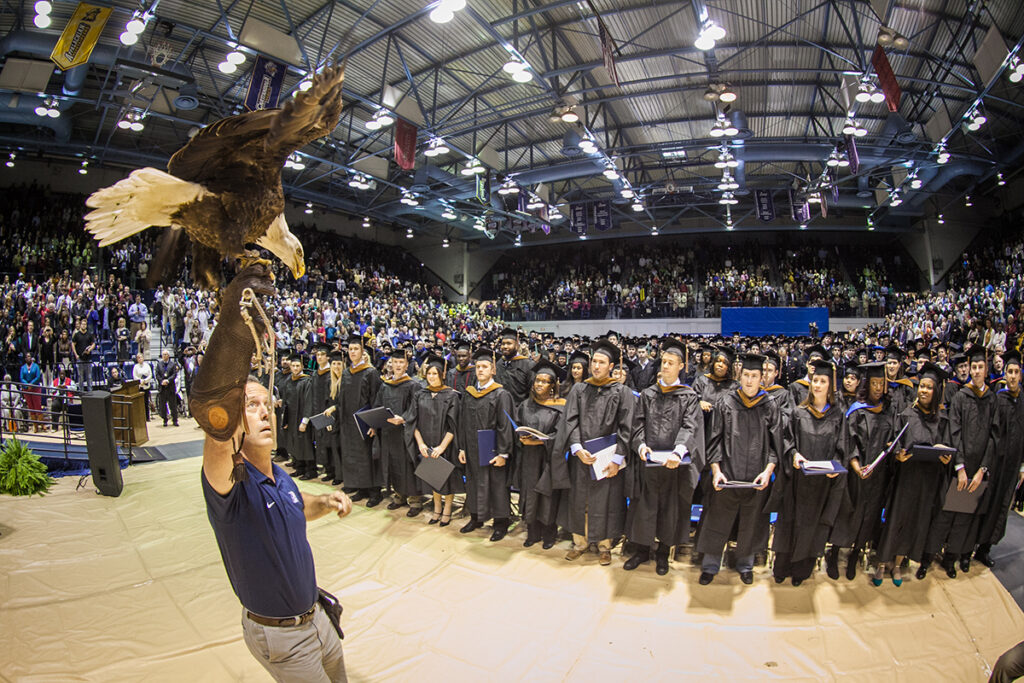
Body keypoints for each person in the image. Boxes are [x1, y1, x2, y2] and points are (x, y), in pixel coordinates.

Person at [194, 264, 351, 682]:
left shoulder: (279, 476)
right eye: (251, 406)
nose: (264, 412)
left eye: (267, 404)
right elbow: (217, 426)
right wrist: (232, 327)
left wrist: (323, 501)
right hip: (282, 638)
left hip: (317, 618)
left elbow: (295, 511)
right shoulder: (229, 484)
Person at [697, 353, 783, 585]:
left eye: (754, 376)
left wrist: (768, 471)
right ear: (740, 375)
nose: (749, 381)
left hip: (756, 479)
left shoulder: (770, 405)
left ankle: (745, 565)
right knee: (717, 519)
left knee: (751, 522)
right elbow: (713, 441)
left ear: (761, 378)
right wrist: (716, 470)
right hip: (727, 476)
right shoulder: (726, 402)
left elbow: (776, 446)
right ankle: (710, 566)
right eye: (745, 375)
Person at [625, 338, 704, 575]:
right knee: (644, 507)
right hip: (649, 464)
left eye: (671, 362)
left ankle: (662, 554)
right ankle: (641, 551)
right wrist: (640, 446)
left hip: (674, 465)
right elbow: (637, 425)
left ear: (681, 366)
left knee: (670, 509)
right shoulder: (648, 394)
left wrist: (679, 451)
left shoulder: (688, 396)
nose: (666, 366)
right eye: (664, 362)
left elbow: (690, 427)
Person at [876, 362, 953, 585]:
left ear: (936, 391)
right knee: (895, 520)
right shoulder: (906, 414)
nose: (924, 390)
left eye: (929, 387)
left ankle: (898, 565)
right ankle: (882, 563)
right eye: (922, 386)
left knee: (914, 523)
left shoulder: (942, 419)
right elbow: (892, 446)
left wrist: (946, 457)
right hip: (906, 478)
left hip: (928, 480)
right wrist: (897, 456)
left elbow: (945, 446)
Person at [772, 359, 846, 586]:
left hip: (820, 485)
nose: (818, 385)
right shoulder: (798, 412)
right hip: (797, 482)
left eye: (823, 381)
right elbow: (787, 440)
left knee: (811, 527)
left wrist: (836, 466)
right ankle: (781, 566)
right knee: (790, 522)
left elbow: (841, 448)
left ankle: (801, 571)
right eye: (815, 380)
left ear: (830, 386)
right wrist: (793, 454)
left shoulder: (837, 415)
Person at [925, 346, 996, 574]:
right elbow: (954, 432)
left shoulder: (992, 400)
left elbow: (994, 437)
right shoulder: (960, 397)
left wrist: (982, 470)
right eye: (972, 367)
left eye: (979, 367)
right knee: (946, 515)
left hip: (978, 471)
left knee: (966, 516)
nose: (975, 371)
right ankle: (928, 558)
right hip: (959, 468)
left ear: (986, 369)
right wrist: (961, 467)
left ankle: (951, 559)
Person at [563, 339, 634, 566]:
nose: (596, 366)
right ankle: (580, 543)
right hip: (582, 457)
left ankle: (605, 546)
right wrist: (576, 448)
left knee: (607, 502)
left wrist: (617, 459)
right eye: (594, 361)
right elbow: (569, 421)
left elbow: (627, 427)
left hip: (607, 460)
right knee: (579, 500)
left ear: (611, 366)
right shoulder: (579, 389)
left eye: (601, 362)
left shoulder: (622, 392)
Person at [828, 361, 895, 580]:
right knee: (848, 512)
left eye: (881, 383)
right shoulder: (857, 411)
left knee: (868, 515)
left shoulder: (888, 411)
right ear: (867, 385)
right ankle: (835, 552)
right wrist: (856, 466)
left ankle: (855, 554)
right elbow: (849, 441)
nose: (877, 387)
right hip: (855, 474)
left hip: (877, 476)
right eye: (874, 383)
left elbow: (892, 440)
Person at [456, 347, 515, 541]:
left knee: (496, 485)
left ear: (493, 370)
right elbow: (462, 422)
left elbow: (505, 426)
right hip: (472, 447)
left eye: (484, 367)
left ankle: (500, 523)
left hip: (493, 449)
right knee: (473, 483)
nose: (480, 370)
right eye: (478, 367)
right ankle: (476, 517)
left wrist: (503, 453)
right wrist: (462, 447)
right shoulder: (469, 393)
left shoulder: (500, 394)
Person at [975, 351, 1024, 567]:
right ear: (1004, 374)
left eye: (1016, 372)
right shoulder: (998, 399)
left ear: (1020, 375)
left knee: (1002, 505)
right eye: (1009, 372)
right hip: (995, 462)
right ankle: (966, 546)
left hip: (1012, 465)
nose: (1012, 376)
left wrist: (1023, 466)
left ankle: (985, 549)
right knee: (984, 502)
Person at [514, 359, 567, 549]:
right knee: (530, 494)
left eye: (544, 381)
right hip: (528, 458)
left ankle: (549, 534)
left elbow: (562, 435)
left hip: (548, 460)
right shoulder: (525, 405)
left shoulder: (561, 406)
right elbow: (517, 424)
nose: (539, 384)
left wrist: (541, 440)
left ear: (553, 385)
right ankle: (532, 532)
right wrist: (521, 438)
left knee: (547, 496)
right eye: (537, 380)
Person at [411, 354, 461, 527]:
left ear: (442, 374)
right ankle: (437, 507)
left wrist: (441, 447)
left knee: (447, 478)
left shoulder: (451, 395)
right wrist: (420, 443)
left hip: (444, 444)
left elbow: (453, 425)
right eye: (429, 373)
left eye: (435, 374)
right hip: (426, 443)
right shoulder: (420, 394)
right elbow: (413, 421)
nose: (431, 377)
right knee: (433, 476)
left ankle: (447, 509)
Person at [374, 348, 424, 517]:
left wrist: (403, 418)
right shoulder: (385, 385)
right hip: (389, 432)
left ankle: (415, 500)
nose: (398, 365)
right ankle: (399, 495)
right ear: (391, 364)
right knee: (393, 464)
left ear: (406, 365)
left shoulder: (413, 385)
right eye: (395, 362)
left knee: (407, 465)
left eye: (401, 362)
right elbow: (377, 406)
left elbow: (415, 408)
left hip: (405, 433)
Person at [335, 335, 382, 505]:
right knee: (354, 456)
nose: (353, 352)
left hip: (364, 423)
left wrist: (373, 424)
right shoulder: (347, 372)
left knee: (368, 456)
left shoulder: (371, 372)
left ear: (363, 352)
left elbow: (375, 398)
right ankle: (361, 488)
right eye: (350, 349)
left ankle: (375, 492)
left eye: (356, 349)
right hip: (348, 422)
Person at [281, 353, 315, 479]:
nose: (295, 368)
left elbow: (309, 402)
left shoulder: (306, 381)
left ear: (301, 366)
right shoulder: (289, 381)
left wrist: (305, 420)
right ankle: (299, 467)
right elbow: (286, 401)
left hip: (302, 418)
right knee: (294, 443)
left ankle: (310, 470)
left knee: (305, 443)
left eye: (297, 366)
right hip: (291, 418)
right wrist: (285, 420)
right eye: (293, 365)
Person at [495, 328, 533, 404]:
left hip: (519, 410)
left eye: (509, 343)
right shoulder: (498, 363)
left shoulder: (528, 364)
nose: (505, 346)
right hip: (501, 409)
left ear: (517, 345)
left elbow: (531, 391)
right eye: (503, 344)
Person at [155, 349, 180, 427]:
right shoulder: (159, 364)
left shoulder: (172, 364)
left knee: (173, 405)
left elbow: (174, 374)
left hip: (170, 388)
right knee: (163, 406)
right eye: (163, 354)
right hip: (162, 388)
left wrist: (168, 380)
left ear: (168, 356)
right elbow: (157, 374)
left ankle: (175, 420)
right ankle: (165, 420)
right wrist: (161, 381)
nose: (164, 356)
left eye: (166, 354)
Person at [19, 353, 43, 432]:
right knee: (31, 407)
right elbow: (21, 378)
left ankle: (42, 424)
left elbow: (38, 376)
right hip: (26, 389)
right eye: (26, 357)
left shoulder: (36, 366)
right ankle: (35, 425)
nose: (27, 358)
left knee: (37, 406)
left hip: (35, 388)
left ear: (31, 358)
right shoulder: (23, 367)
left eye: (29, 356)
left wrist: (31, 384)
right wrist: (27, 384)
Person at [48, 364, 75, 431]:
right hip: (58, 399)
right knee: (54, 406)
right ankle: (54, 427)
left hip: (67, 399)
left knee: (71, 408)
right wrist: (57, 387)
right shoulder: (55, 381)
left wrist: (66, 387)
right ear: (59, 374)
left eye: (63, 374)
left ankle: (72, 426)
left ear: (65, 374)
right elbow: (50, 390)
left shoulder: (69, 381)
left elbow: (75, 388)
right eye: (61, 374)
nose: (62, 375)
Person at [71, 317, 95, 391]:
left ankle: (90, 391)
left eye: (85, 324)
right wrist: (76, 355)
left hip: (88, 358)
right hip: (80, 359)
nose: (84, 325)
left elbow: (93, 344)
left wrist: (90, 349)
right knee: (80, 376)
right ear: (80, 325)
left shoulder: (89, 334)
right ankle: (81, 392)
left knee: (89, 376)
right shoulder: (77, 335)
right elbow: (72, 344)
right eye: (83, 324)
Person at [132, 352, 153, 421]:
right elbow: (134, 376)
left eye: (141, 357)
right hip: (140, 386)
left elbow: (150, 375)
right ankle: (141, 417)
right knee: (140, 403)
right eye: (138, 358)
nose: (140, 359)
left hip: (146, 386)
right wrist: (141, 381)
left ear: (143, 358)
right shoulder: (135, 367)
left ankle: (147, 417)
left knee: (146, 402)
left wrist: (145, 381)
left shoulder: (147, 365)